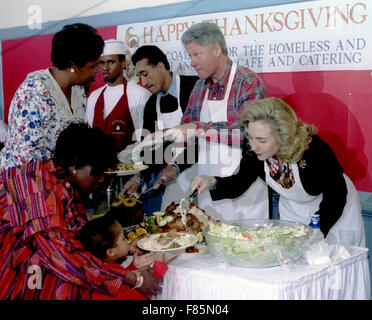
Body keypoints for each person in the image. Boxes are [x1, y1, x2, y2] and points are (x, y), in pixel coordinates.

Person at [0, 123, 162, 299]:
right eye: (97, 172)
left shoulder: (65, 182)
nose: (101, 180)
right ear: (75, 165)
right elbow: (62, 257)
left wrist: (123, 249)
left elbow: (81, 241)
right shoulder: (41, 190)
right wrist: (133, 278)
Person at [192, 97, 366, 247]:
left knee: (332, 263)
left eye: (261, 140)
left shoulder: (314, 150)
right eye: (250, 137)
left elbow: (335, 196)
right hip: (293, 208)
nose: (253, 146)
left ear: (283, 136)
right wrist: (211, 181)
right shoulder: (255, 151)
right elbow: (240, 181)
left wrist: (315, 232)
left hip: (334, 208)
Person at [150, 22, 268, 221]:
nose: (192, 62)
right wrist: (169, 148)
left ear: (216, 49)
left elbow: (248, 135)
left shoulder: (247, 82)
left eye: (197, 54)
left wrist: (198, 129)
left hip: (244, 193)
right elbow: (192, 136)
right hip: (209, 189)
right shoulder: (199, 87)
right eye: (189, 56)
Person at [0, 23, 104, 168]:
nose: (97, 72)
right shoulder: (34, 90)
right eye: (92, 66)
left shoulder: (79, 90)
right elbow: (23, 155)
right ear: (73, 65)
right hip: (26, 182)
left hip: (60, 182)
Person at [121, 45, 198, 216]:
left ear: (161, 66)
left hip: (205, 173)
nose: (144, 82)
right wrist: (138, 177)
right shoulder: (150, 105)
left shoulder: (195, 87)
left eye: (145, 74)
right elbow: (151, 152)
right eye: (139, 77)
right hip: (175, 179)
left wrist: (178, 166)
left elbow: (204, 136)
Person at [79, 213, 179, 300]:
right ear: (111, 251)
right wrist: (159, 268)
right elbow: (139, 296)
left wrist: (134, 266)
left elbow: (124, 280)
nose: (127, 241)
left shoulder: (106, 272)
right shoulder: (108, 287)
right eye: (123, 239)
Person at [85, 39, 151, 152]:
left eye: (111, 62)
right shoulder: (94, 97)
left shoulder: (139, 94)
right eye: (102, 63)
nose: (105, 68)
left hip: (130, 166)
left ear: (123, 63)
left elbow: (147, 138)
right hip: (98, 168)